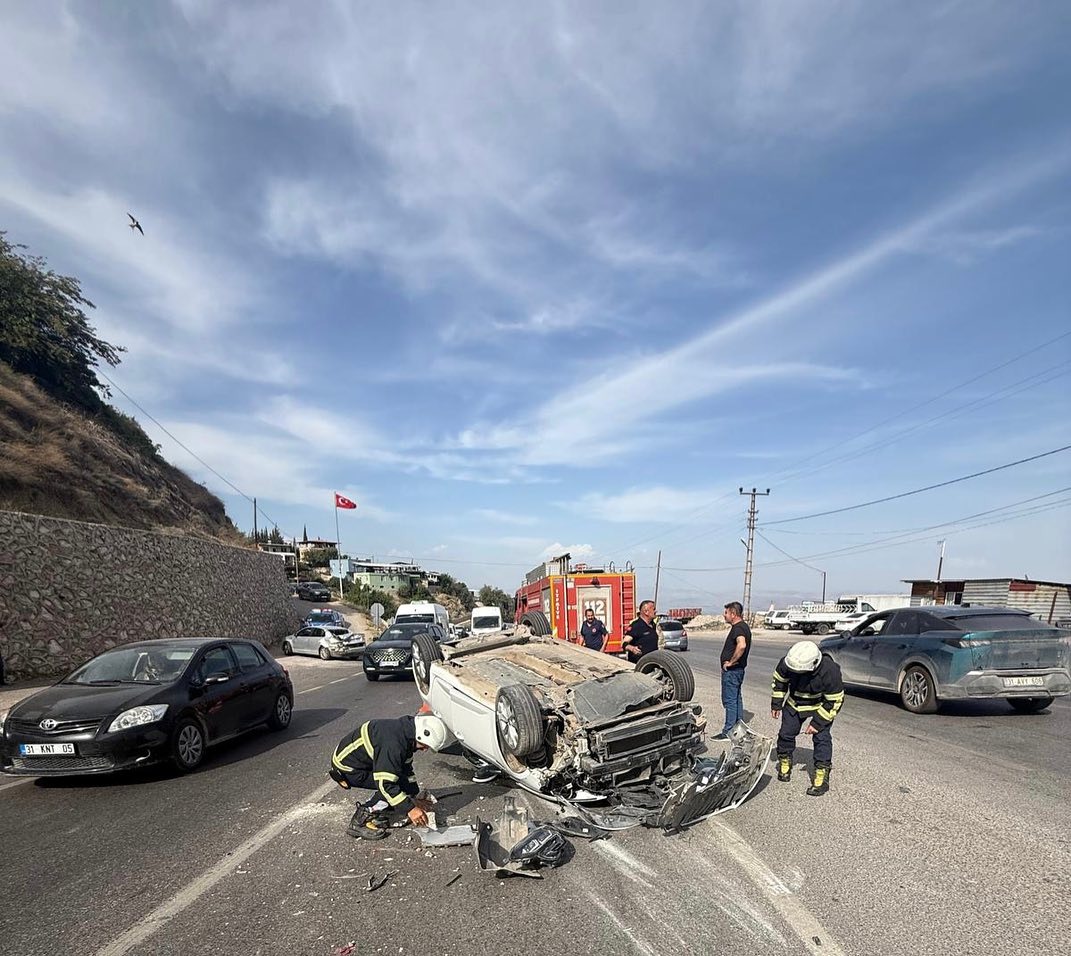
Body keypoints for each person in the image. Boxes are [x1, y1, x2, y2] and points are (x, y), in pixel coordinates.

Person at [329, 713, 447, 839]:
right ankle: (360, 821)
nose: (424, 750)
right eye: (425, 746)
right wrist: (410, 809)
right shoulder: (394, 745)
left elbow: (407, 771)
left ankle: (388, 808)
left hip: (364, 762)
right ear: (421, 735)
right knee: (391, 786)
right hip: (348, 769)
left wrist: (413, 797)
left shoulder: (406, 735)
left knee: (400, 781)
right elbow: (385, 784)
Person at [770, 640, 845, 797]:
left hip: (820, 705)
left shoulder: (830, 671)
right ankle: (785, 760)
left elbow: (835, 701)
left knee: (822, 738)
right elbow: (779, 682)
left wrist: (817, 722)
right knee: (786, 734)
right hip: (795, 703)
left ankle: (822, 773)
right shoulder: (788, 662)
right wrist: (776, 704)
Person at [713, 601, 752, 741]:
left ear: (733, 614)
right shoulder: (743, 627)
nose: (724, 616)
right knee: (736, 699)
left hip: (733, 671)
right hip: (737, 671)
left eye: (726, 613)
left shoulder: (739, 628)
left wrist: (731, 662)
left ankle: (728, 731)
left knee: (729, 701)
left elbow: (741, 646)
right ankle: (738, 729)